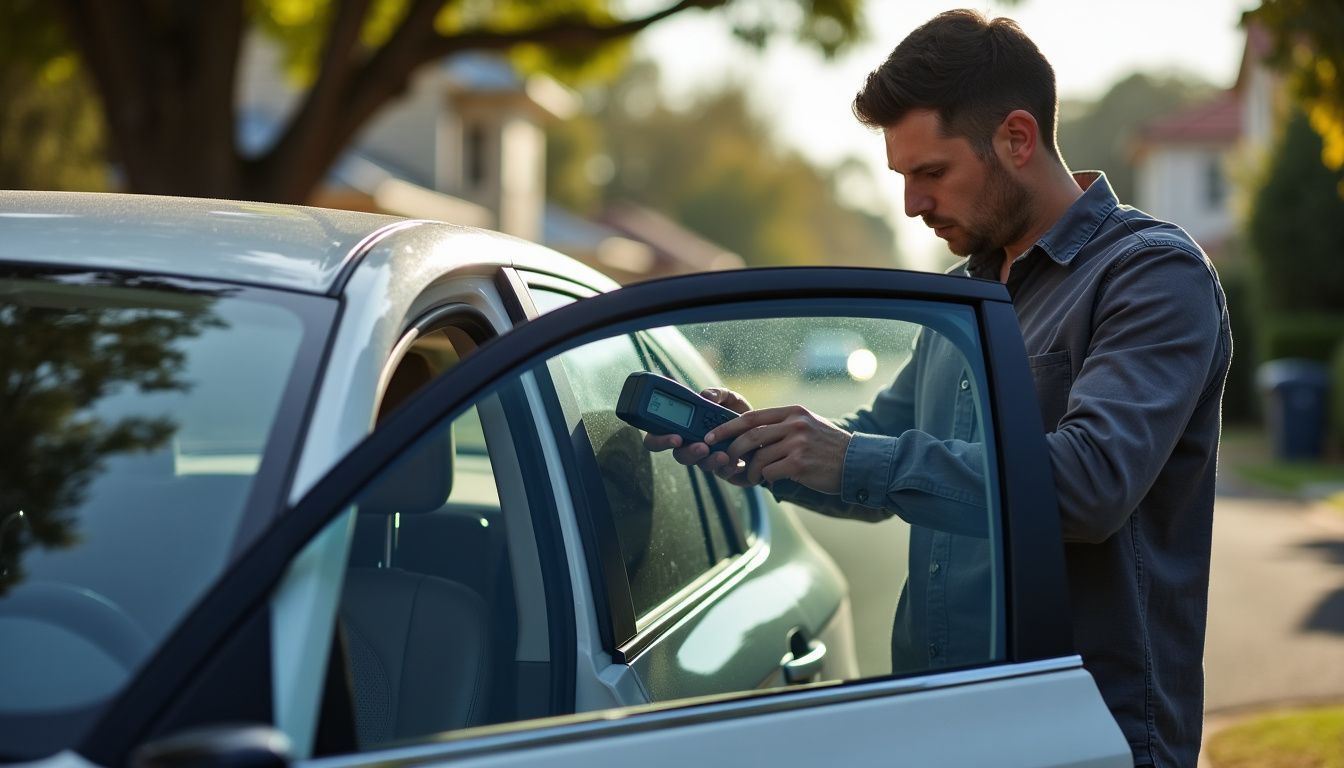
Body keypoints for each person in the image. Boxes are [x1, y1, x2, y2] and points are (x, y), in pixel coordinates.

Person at [646, 9, 1231, 767]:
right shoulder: (968, 297)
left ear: (1017, 139)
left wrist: (857, 457)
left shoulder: (1150, 275)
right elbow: (873, 444)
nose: (912, 205)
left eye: (931, 173)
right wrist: (767, 442)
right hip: (944, 722)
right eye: (902, 177)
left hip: (1083, 733)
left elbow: (1090, 485)